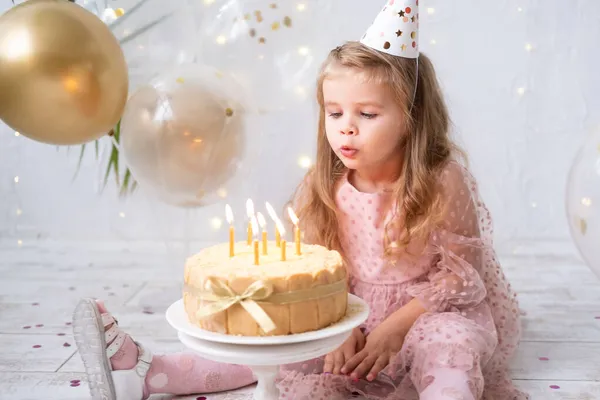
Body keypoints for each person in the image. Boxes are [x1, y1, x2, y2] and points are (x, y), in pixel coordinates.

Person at [72, 1, 528, 399]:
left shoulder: (441, 178)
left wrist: (394, 328)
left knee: (449, 344)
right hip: (346, 311)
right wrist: (339, 328)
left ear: (410, 117)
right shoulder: (324, 183)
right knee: (274, 343)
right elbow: (316, 272)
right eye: (335, 113)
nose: (346, 127)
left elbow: (464, 276)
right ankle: (150, 374)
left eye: (367, 114)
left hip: (424, 313)